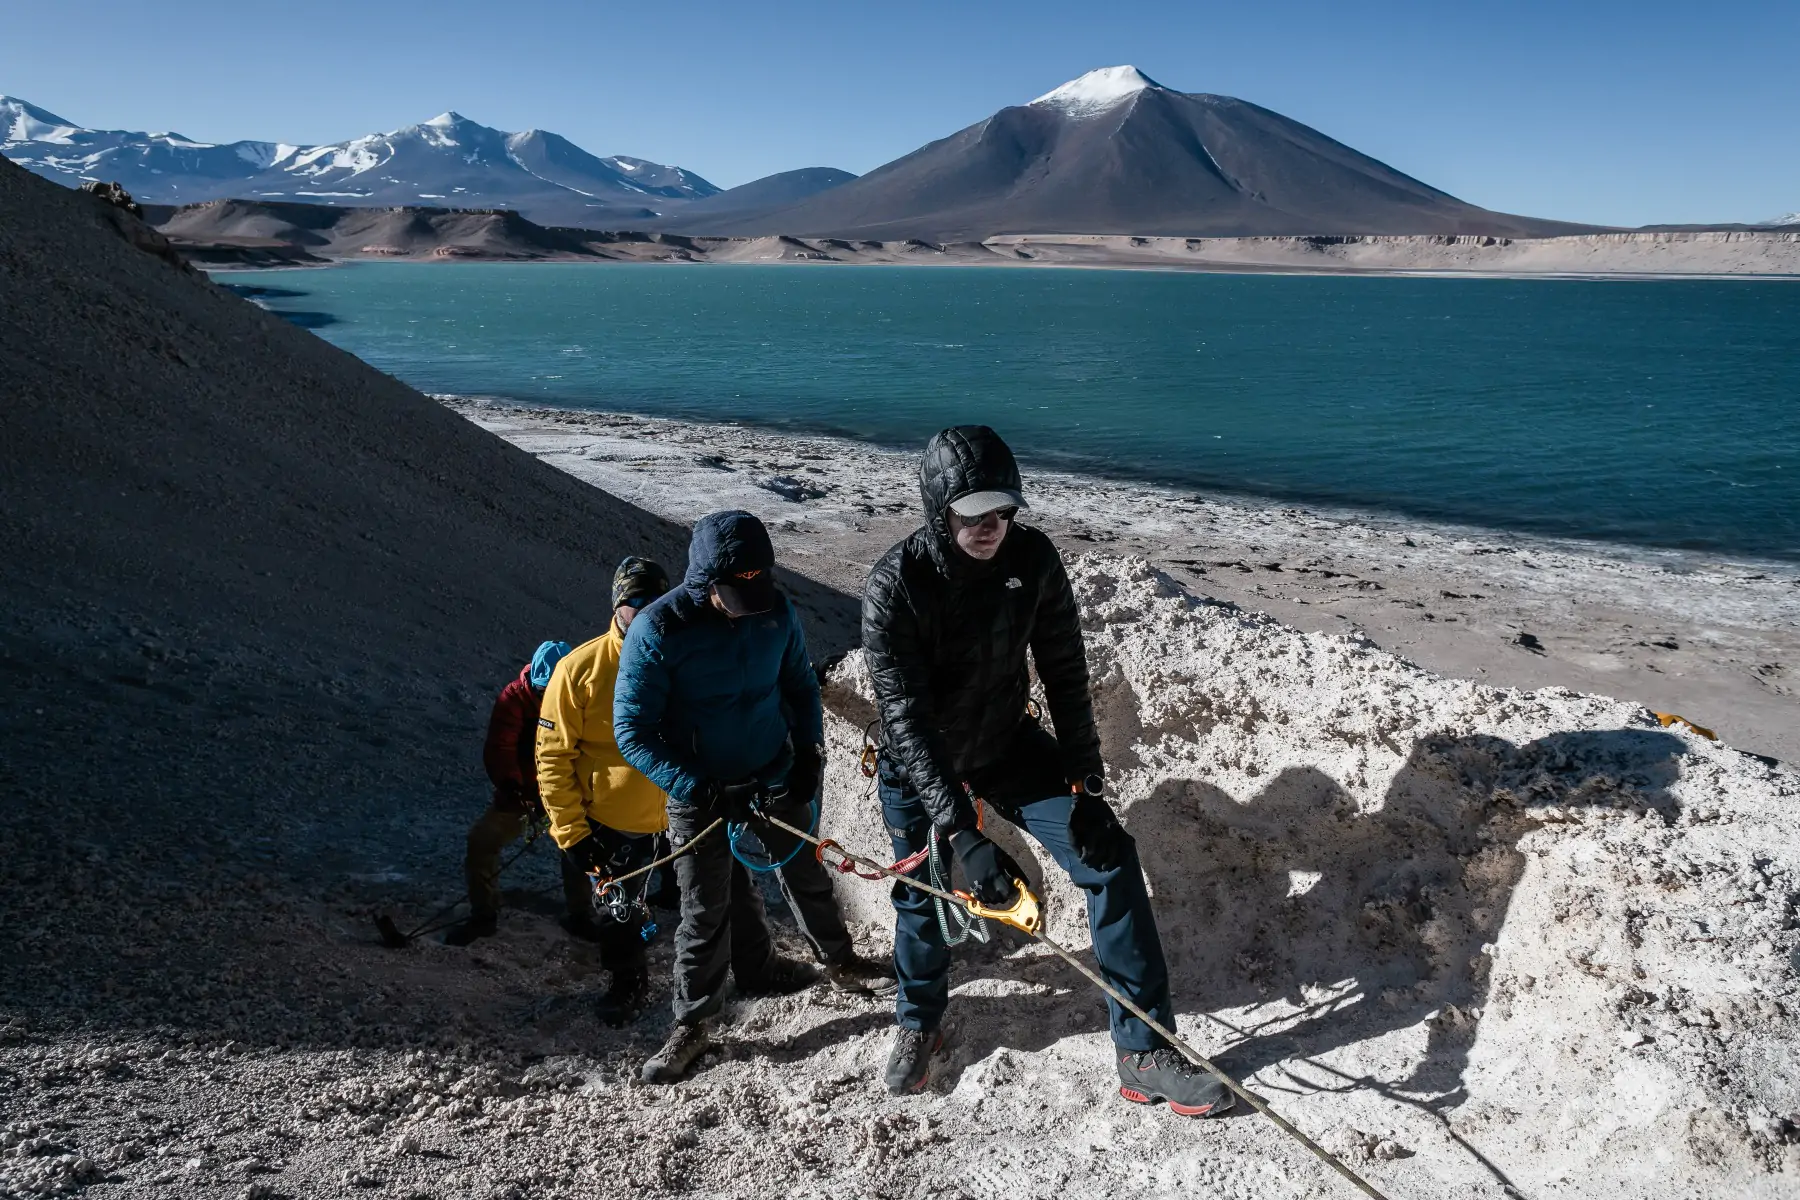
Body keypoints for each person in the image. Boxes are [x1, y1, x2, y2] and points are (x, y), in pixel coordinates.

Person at [860, 425, 1233, 1116]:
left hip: (1006, 742)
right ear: (939, 509)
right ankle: (920, 1023)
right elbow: (905, 716)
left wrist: (1086, 784)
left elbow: (1064, 670)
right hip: (921, 762)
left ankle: (1144, 1050)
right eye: (973, 512)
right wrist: (962, 831)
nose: (990, 526)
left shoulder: (1031, 560)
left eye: (1002, 510)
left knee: (1110, 856)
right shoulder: (895, 586)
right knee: (922, 896)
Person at [615, 510, 895, 1083]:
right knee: (704, 905)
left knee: (807, 873)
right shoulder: (659, 629)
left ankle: (840, 962)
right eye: (732, 594)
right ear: (703, 582)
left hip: (773, 771)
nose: (748, 604)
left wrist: (810, 755)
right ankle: (693, 1024)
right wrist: (699, 786)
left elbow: (797, 685)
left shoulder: (776, 611)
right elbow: (632, 731)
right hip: (700, 791)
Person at [536, 556, 675, 1026]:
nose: (641, 613)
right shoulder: (579, 671)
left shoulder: (684, 658)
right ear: (616, 606)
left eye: (651, 602)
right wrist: (572, 833)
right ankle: (627, 985)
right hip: (612, 820)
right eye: (631, 603)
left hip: (681, 812)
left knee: (708, 898)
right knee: (620, 908)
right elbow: (552, 756)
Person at [444, 638, 586, 947]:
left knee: (577, 845)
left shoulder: (578, 698)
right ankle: (484, 913)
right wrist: (517, 788)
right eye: (544, 692)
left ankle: (582, 915)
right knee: (481, 842)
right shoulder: (514, 700)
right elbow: (500, 749)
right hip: (523, 794)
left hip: (563, 791)